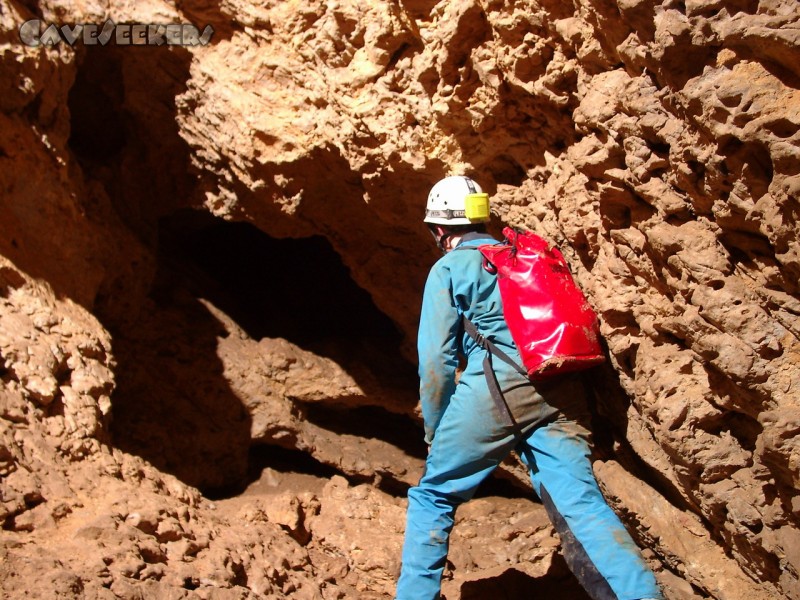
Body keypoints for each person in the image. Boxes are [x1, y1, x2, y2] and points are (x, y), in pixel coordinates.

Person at [395, 176, 664, 600]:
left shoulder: (449, 268)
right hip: (562, 384)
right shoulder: (517, 255)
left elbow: (436, 362)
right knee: (580, 504)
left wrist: (435, 432)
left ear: (440, 229)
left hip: (499, 386)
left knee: (433, 494)